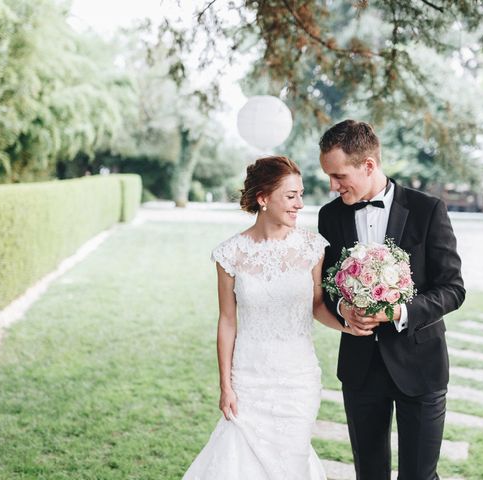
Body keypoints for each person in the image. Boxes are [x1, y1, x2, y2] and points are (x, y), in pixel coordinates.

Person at [182, 155, 371, 480]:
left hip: (297, 379)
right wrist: (226, 385)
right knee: (238, 464)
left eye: (300, 194)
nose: (300, 204)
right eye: (290, 196)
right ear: (263, 199)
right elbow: (227, 321)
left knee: (290, 463)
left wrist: (347, 325)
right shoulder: (230, 254)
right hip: (248, 378)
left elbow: (316, 305)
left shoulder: (313, 247)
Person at [317, 120, 466, 480]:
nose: (333, 186)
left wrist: (400, 310)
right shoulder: (330, 216)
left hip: (421, 366)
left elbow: (453, 288)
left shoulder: (428, 209)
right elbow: (327, 285)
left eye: (339, 176)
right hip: (360, 368)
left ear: (368, 166)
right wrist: (343, 309)